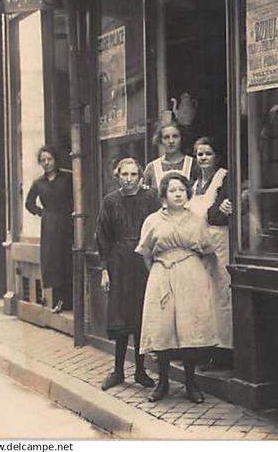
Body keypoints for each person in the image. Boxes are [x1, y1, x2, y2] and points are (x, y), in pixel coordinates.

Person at [135, 172, 218, 404]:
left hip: (191, 275)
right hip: (162, 274)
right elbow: (145, 253)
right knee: (162, 328)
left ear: (188, 193)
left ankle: (191, 383)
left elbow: (208, 252)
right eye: (173, 190)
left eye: (182, 190)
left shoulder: (197, 220)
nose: (178, 194)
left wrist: (194, 271)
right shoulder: (152, 221)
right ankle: (163, 382)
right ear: (164, 195)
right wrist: (158, 272)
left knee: (188, 328)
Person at [96, 157, 160, 391]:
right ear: (118, 176)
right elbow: (102, 236)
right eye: (125, 174)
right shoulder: (110, 201)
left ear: (140, 176)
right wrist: (105, 270)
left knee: (141, 315)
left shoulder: (151, 198)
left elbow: (158, 227)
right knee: (121, 317)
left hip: (144, 261)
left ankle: (141, 371)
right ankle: (119, 371)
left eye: (134, 174)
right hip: (120, 263)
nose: (129, 179)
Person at [189, 137, 233, 370]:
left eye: (208, 153)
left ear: (216, 156)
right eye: (199, 154)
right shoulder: (194, 184)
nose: (203, 158)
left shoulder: (224, 178)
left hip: (219, 243)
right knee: (203, 298)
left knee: (221, 296)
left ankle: (224, 351)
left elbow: (219, 214)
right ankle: (205, 349)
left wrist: (222, 210)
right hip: (199, 246)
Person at [25, 145, 73, 313]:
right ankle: (58, 300)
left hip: (68, 222)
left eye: (49, 159)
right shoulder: (38, 183)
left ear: (56, 160)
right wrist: (42, 213)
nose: (46, 163)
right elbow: (29, 203)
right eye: (43, 160)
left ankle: (71, 300)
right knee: (53, 260)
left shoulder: (68, 177)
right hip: (50, 225)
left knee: (67, 257)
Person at [142, 120, 195, 192]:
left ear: (181, 138)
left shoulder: (193, 164)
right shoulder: (152, 168)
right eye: (166, 137)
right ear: (160, 140)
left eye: (175, 136)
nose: (171, 141)